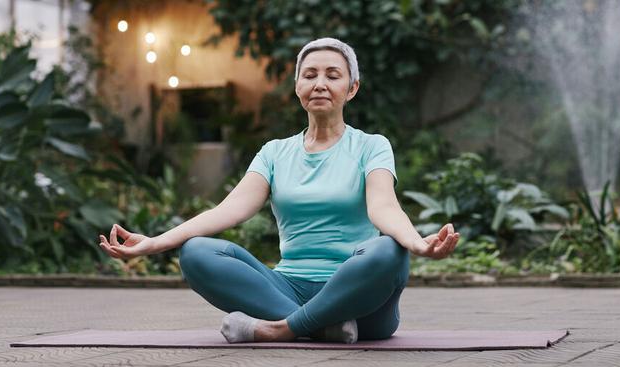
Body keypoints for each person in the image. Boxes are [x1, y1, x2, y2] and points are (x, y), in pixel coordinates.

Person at [98, 37, 459, 344]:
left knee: (388, 251)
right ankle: (321, 327)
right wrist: (155, 243)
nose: (320, 83)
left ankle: (279, 330)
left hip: (361, 302)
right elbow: (228, 211)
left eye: (333, 76)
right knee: (195, 253)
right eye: (310, 75)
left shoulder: (371, 146)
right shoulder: (274, 152)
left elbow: (383, 207)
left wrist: (416, 243)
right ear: (298, 86)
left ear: (352, 89)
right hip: (285, 288)